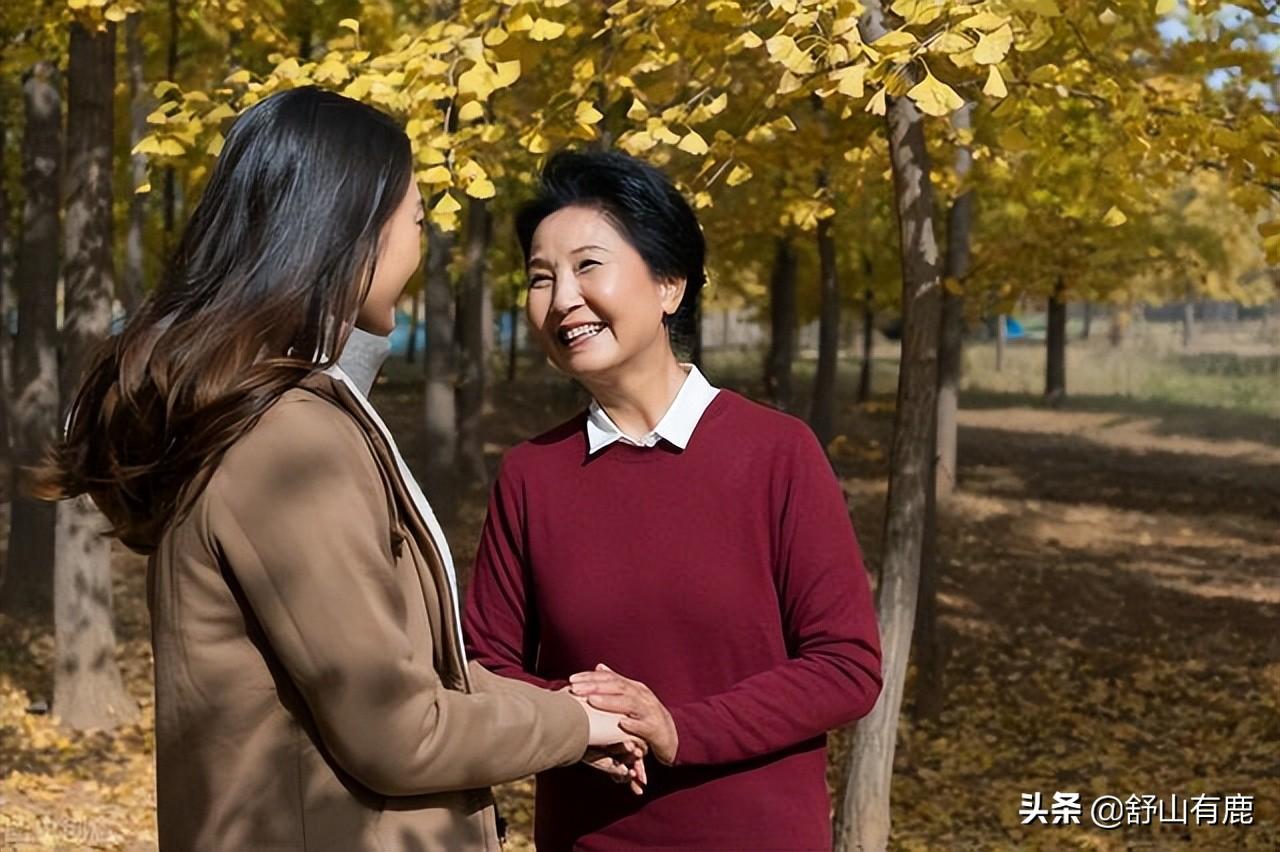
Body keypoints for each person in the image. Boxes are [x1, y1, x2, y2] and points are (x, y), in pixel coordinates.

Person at [35, 88, 640, 852]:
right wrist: (572, 723)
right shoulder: (288, 441)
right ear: (349, 228)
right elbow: (398, 728)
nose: (421, 242)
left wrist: (574, 716)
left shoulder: (266, 414)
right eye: (414, 220)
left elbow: (414, 673)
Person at [464, 149, 885, 851]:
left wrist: (678, 728)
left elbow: (845, 664)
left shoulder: (777, 453)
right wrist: (577, 723)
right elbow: (485, 664)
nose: (562, 297)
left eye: (588, 265)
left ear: (669, 285)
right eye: (541, 278)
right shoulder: (531, 475)